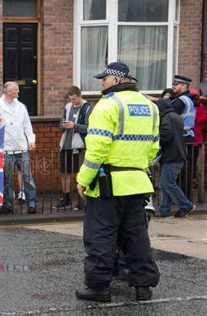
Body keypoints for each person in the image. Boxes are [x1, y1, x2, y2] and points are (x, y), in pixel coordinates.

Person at [75, 62, 160, 302]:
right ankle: (143, 287)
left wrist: (83, 180)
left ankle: (99, 287)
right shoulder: (150, 106)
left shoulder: (107, 105)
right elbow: (154, 149)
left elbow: (97, 149)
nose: (101, 82)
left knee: (100, 236)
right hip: (138, 182)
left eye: (104, 78)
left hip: (107, 184)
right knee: (137, 237)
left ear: (116, 79)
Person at [0, 81, 37, 215]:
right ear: (8, 91)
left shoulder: (21, 107)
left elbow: (27, 126)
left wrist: (31, 140)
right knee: (7, 179)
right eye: (16, 89)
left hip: (21, 147)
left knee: (28, 177)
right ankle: (8, 204)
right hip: (6, 148)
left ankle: (32, 203)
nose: (18, 91)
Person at [155, 98, 195, 218]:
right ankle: (164, 210)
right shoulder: (176, 116)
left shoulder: (167, 117)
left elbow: (166, 135)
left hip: (172, 155)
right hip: (177, 154)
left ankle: (185, 205)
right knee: (166, 183)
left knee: (168, 184)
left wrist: (155, 139)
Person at [55, 86, 91, 211]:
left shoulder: (87, 108)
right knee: (64, 173)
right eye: (71, 99)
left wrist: (74, 125)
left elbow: (89, 128)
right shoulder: (67, 107)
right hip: (66, 144)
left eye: (74, 99)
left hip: (80, 146)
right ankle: (66, 199)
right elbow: (60, 123)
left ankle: (81, 201)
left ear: (80, 96)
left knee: (79, 174)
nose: (72, 102)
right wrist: (64, 125)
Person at [171, 75, 196, 200]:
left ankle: (182, 198)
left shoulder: (181, 101)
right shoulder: (188, 99)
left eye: (176, 84)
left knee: (180, 170)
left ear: (184, 86)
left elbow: (169, 115)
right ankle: (185, 196)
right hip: (188, 137)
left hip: (181, 137)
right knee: (186, 169)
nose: (173, 86)